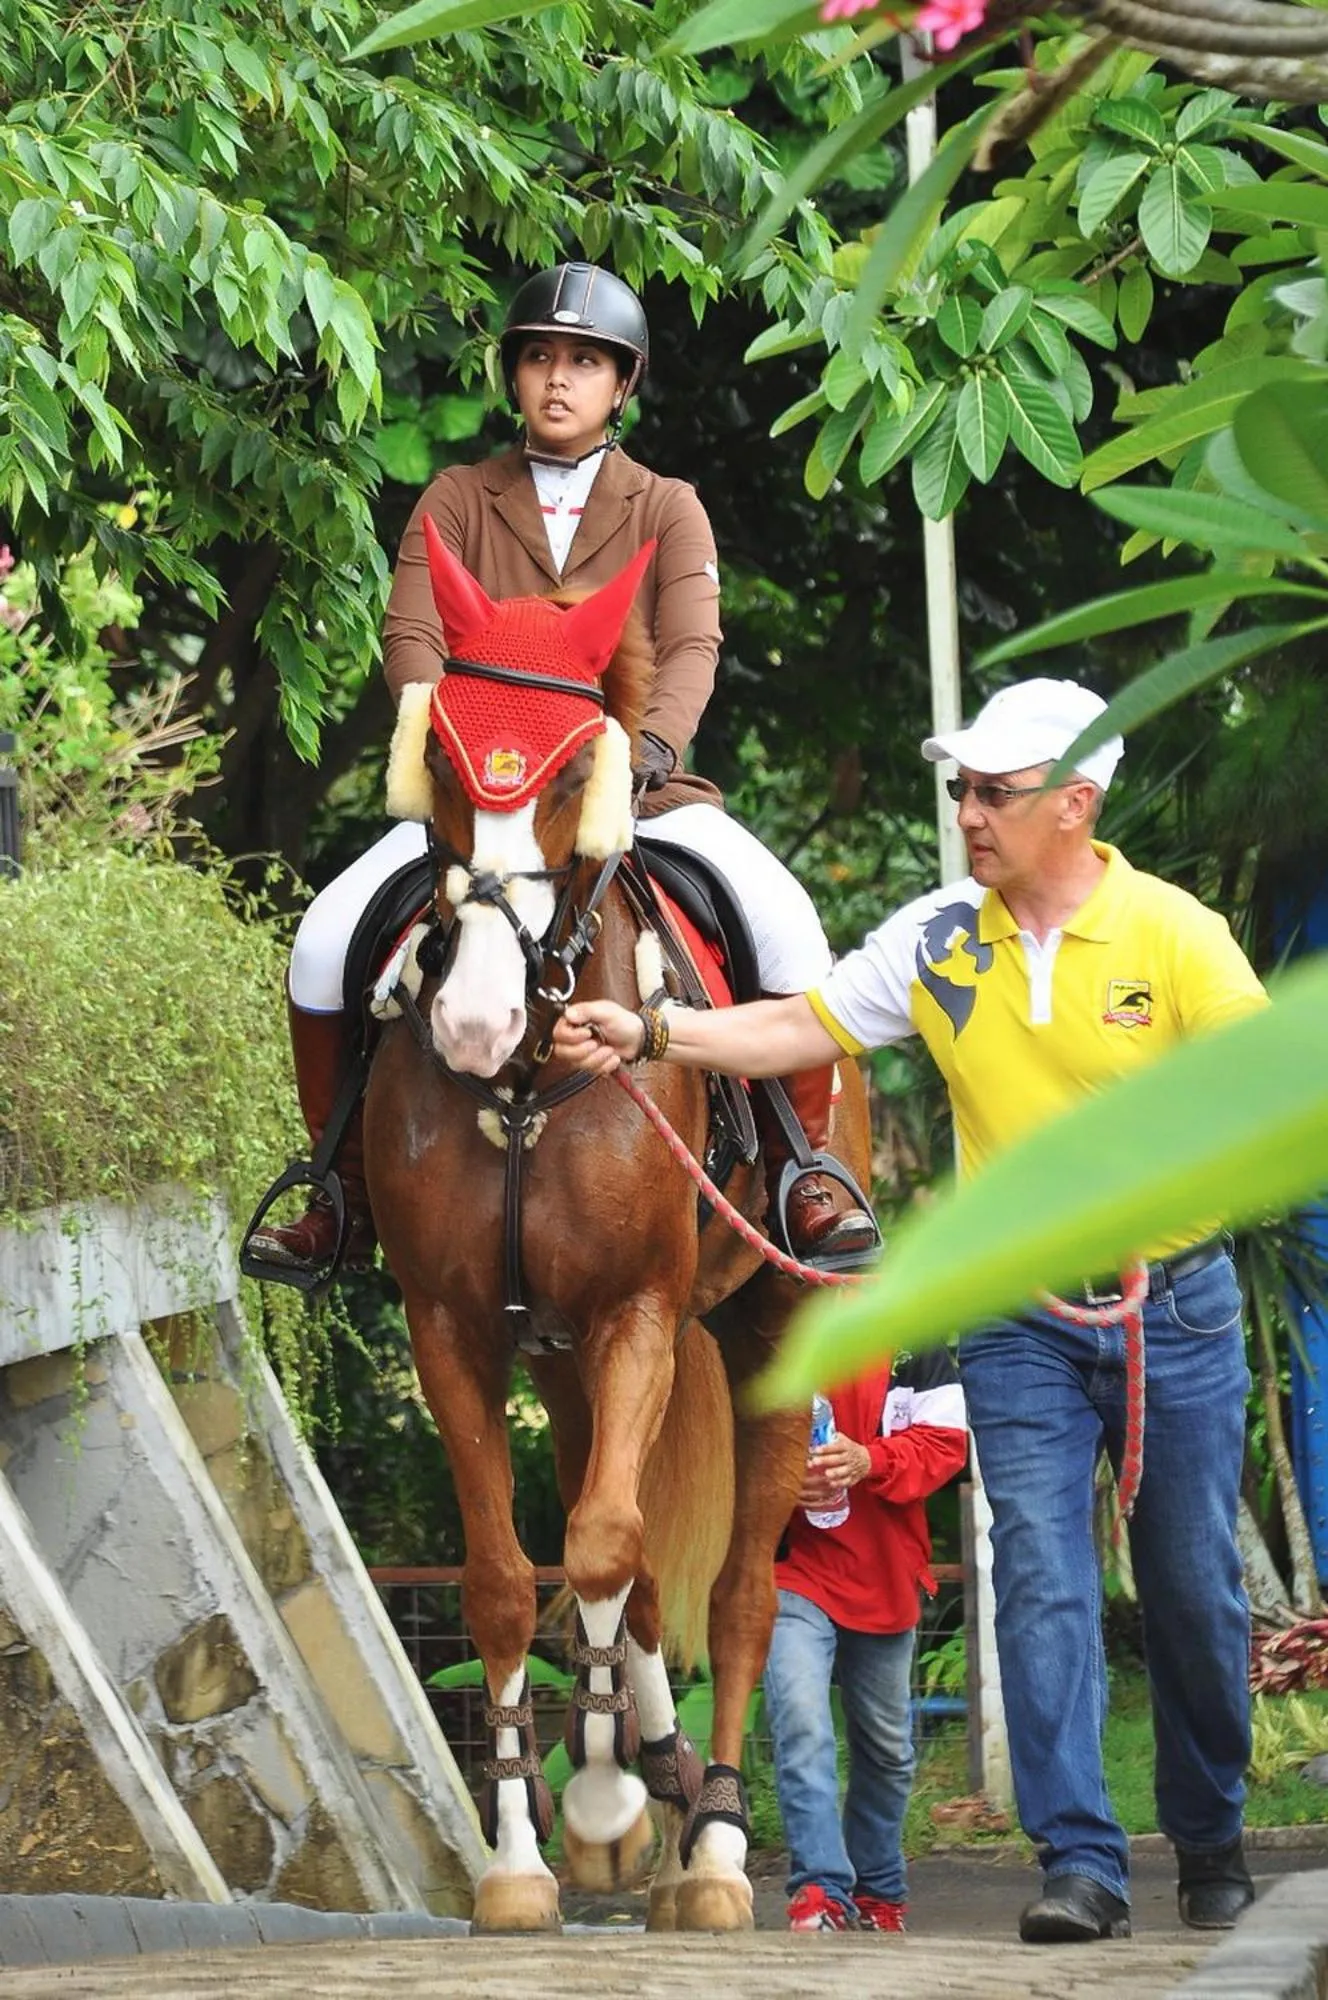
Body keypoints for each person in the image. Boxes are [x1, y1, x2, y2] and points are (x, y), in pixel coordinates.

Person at [553, 676, 1268, 1943]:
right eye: (960, 790)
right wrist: (650, 1030)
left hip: (1171, 1313)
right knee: (1037, 1576)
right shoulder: (942, 939)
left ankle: (1208, 1833)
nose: (967, 812)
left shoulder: (1173, 934)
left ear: (1074, 802)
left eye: (994, 791)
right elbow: (798, 1025)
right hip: (1016, 1314)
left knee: (1191, 1592)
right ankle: (1079, 1860)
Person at [250, 261, 875, 1275]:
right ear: (513, 374)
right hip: (481, 804)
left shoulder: (668, 506)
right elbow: (411, 635)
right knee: (323, 941)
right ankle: (339, 1190)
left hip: (635, 796)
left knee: (789, 929)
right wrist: (454, 744)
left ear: (621, 384)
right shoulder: (458, 498)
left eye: (584, 361)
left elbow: (692, 646)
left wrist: (645, 751)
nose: (557, 378)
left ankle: (803, 1168)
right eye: (539, 356)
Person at [767, 1356, 967, 1934]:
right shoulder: (769, 1332)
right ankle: (821, 1889)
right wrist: (778, 1477)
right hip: (792, 1571)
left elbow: (948, 1444)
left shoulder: (915, 1339)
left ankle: (878, 1890)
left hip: (887, 1574)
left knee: (887, 1749)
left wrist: (869, 1459)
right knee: (801, 1723)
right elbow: (722, 1444)